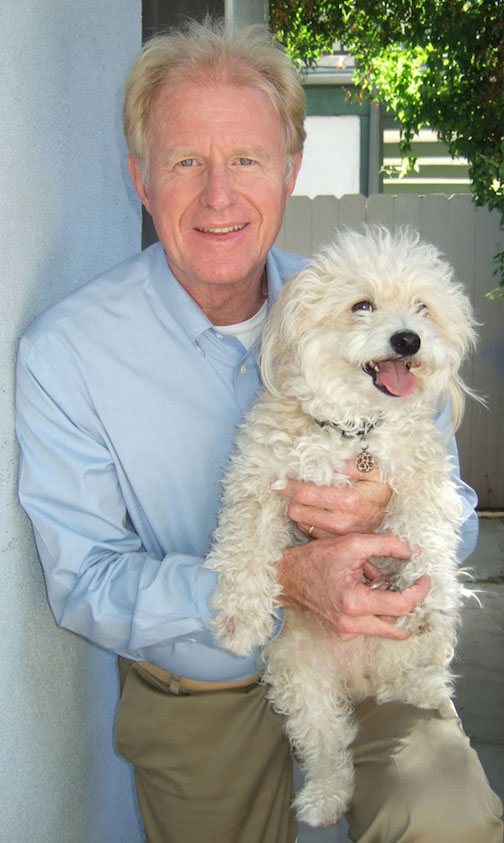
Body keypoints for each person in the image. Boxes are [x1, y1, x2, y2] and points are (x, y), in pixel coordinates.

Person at [15, 18, 502, 843]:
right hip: (203, 686)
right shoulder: (68, 352)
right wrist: (283, 578)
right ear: (140, 178)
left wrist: (389, 517)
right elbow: (86, 583)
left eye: (245, 159)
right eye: (185, 162)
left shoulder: (355, 305)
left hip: (379, 651)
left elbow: (449, 506)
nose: (218, 195)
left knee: (448, 813)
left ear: (289, 171)